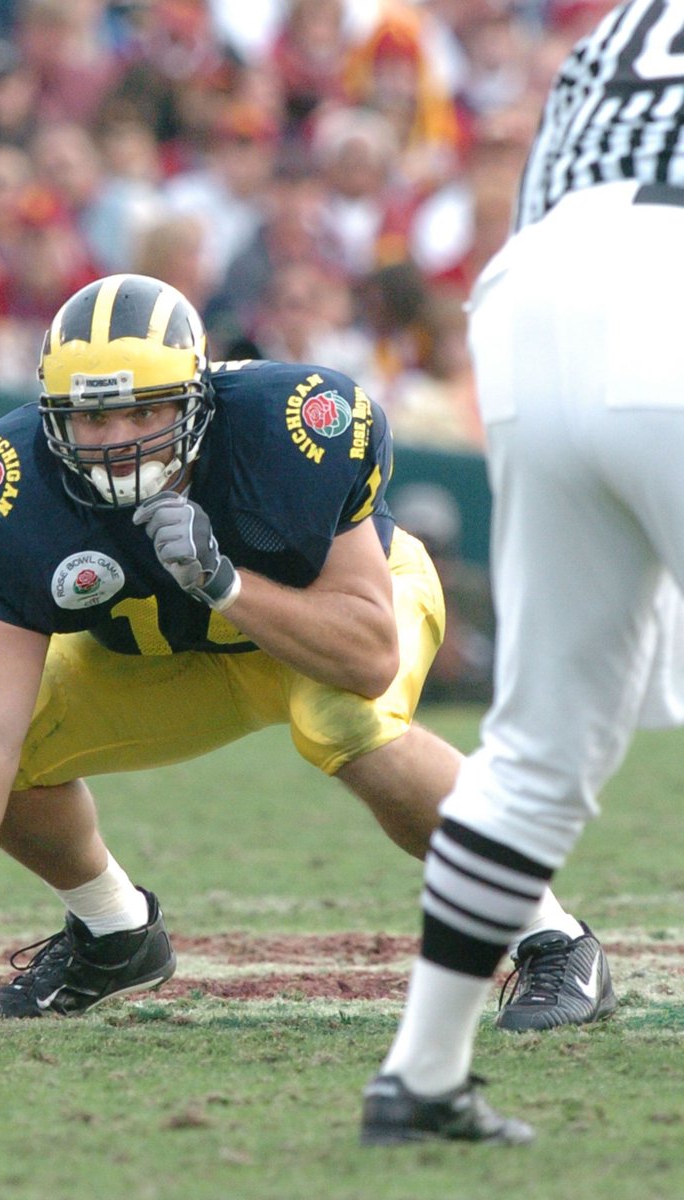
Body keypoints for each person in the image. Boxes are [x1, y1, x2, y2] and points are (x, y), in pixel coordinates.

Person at [0, 272, 608, 1032]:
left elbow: (368, 657)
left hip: (332, 623)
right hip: (169, 656)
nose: (118, 440)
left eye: (144, 410)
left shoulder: (289, 426)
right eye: (91, 417)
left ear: (197, 398)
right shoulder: (8, 486)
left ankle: (553, 937)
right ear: (54, 415)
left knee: (346, 721)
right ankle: (115, 931)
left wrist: (224, 582)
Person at [361, 0, 684, 1146]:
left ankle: (421, 1077)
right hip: (667, 290)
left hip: (531, 309)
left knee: (538, 749)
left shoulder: (619, 28)